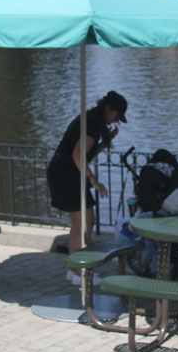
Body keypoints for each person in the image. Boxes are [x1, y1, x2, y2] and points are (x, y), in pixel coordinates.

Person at [47, 91, 127, 286]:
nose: (114, 121)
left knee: (87, 221)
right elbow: (77, 154)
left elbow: (86, 153)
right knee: (81, 224)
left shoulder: (94, 121)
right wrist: (94, 181)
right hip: (67, 173)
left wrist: (105, 142)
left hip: (71, 173)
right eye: (115, 116)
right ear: (108, 109)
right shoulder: (92, 123)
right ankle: (78, 271)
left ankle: (79, 268)